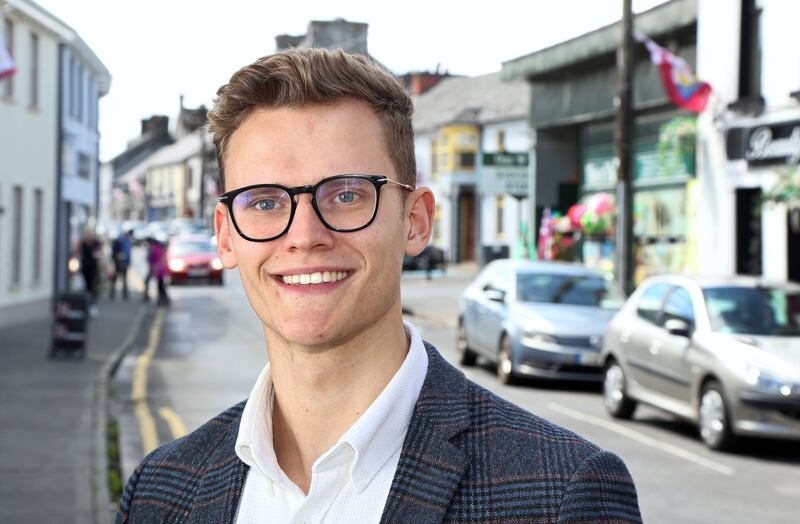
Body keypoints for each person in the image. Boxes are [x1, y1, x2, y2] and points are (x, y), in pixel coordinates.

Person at [117, 49, 641, 523]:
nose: (304, 236)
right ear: (226, 236)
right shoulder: (159, 492)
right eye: (265, 201)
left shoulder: (564, 495)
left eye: (346, 195)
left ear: (415, 221)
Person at [78, 227, 101, 317]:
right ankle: (86, 305)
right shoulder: (83, 243)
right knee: (85, 287)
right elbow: (77, 252)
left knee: (92, 287)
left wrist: (97, 254)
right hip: (85, 267)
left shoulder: (96, 243)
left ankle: (93, 305)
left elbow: (100, 253)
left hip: (93, 268)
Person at [110, 230, 132, 300]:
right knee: (118, 279)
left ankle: (122, 294)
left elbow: (128, 254)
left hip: (122, 263)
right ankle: (115, 294)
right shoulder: (122, 242)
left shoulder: (125, 242)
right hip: (119, 263)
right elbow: (114, 254)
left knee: (121, 279)